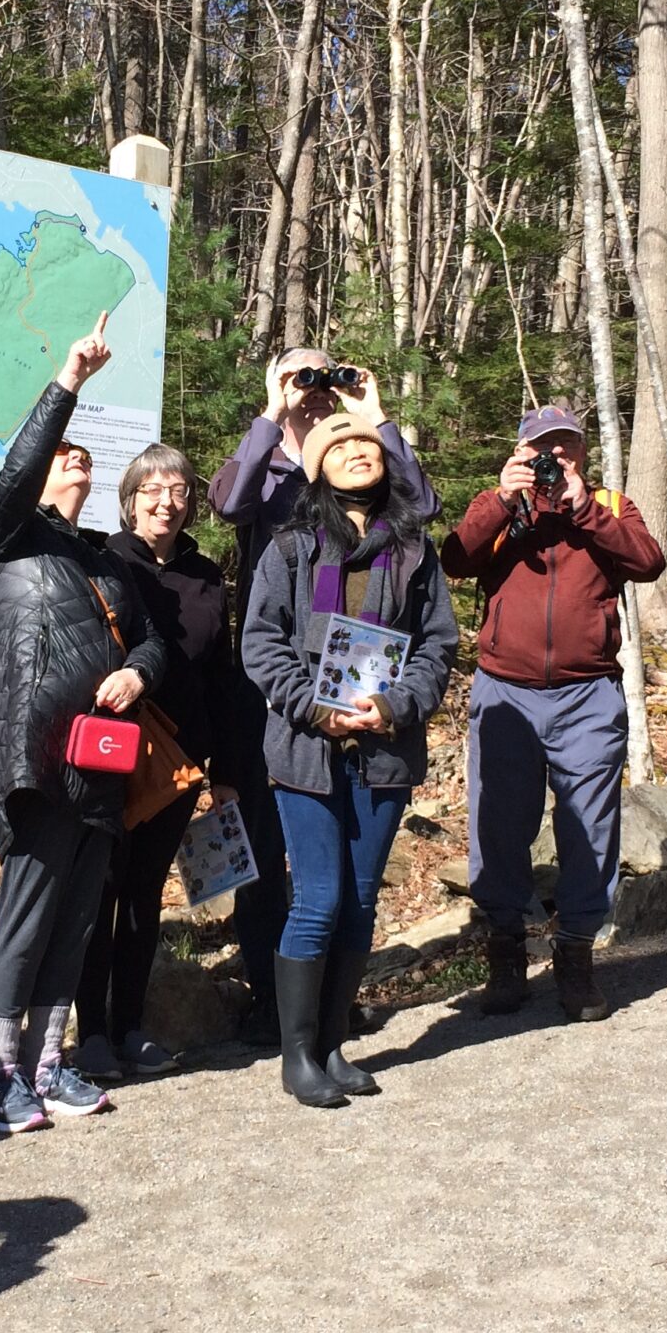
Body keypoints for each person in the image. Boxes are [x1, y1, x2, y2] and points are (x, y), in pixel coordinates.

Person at [0, 313, 170, 1133]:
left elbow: (153, 640)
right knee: (28, 916)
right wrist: (69, 383)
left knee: (77, 918)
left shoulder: (100, 560)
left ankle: (49, 1065)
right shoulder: (4, 541)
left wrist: (136, 671)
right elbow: (17, 471)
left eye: (88, 457)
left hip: (104, 760)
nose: (77, 463)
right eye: (66, 456)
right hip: (36, 756)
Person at [210, 349, 441, 1041]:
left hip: (370, 694)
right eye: (300, 375)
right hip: (277, 683)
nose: (316, 390)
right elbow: (226, 503)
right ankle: (270, 997)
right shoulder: (275, 468)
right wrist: (273, 413)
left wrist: (373, 419)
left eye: (325, 375)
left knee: (347, 879)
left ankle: (326, 1009)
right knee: (268, 840)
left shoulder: (364, 455)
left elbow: (420, 511)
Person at [241, 414, 457, 1105]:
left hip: (385, 747)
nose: (358, 453)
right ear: (318, 469)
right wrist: (312, 705)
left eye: (367, 444)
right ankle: (297, 1053)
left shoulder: (414, 550)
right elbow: (261, 643)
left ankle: (333, 1043)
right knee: (319, 898)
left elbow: (437, 645)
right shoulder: (291, 548)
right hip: (307, 749)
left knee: (361, 903)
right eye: (340, 447)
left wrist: (394, 707)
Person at [439, 404, 667, 1021]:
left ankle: (575, 954)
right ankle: (507, 953)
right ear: (521, 453)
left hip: (587, 693)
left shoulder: (609, 506)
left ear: (583, 455)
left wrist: (580, 506)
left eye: (566, 449)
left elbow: (648, 562)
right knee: (499, 824)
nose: (555, 460)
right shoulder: (502, 508)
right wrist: (498, 497)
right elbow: (454, 560)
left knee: (590, 827)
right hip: (504, 690)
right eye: (543, 449)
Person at [79, 443, 235, 1080]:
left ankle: (132, 1027)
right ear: (130, 500)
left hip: (176, 759)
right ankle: (89, 1033)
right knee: (99, 888)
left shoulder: (206, 576)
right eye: (153, 491)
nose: (167, 502)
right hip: (110, 754)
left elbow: (224, 676)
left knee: (144, 894)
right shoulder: (103, 562)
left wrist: (224, 767)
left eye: (178, 491)